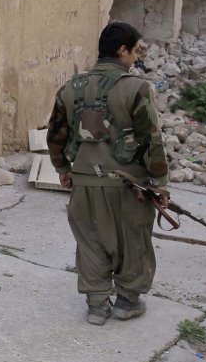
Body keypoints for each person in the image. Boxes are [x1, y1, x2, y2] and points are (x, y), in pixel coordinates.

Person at [46, 21, 171, 325]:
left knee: (90, 240)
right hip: (128, 185)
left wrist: (63, 169)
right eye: (134, 51)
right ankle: (127, 303)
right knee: (132, 240)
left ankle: (97, 306)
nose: (136, 58)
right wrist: (160, 184)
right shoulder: (137, 88)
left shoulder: (70, 88)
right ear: (121, 50)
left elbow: (55, 136)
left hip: (85, 182)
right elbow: (151, 140)